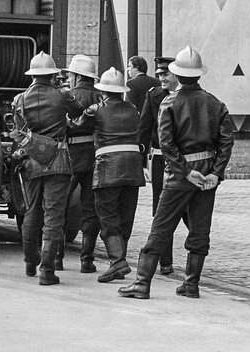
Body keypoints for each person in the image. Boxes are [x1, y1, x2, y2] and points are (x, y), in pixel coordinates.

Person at [119, 46, 234, 300]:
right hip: (207, 176)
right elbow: (226, 141)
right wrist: (216, 173)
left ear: (178, 74)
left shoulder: (169, 102)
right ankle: (191, 284)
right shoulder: (215, 103)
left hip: (179, 176)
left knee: (161, 226)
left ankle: (142, 283)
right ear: (198, 75)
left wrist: (186, 171)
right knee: (200, 229)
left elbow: (167, 144)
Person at [12, 51, 82, 285]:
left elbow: (19, 133)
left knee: (32, 212)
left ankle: (30, 263)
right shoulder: (61, 95)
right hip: (58, 162)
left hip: (32, 162)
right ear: (53, 75)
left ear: (32, 75)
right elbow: (79, 112)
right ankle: (47, 270)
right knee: (53, 216)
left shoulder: (20, 99)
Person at [72, 67, 145, 283]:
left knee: (107, 216)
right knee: (125, 216)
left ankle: (117, 261)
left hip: (108, 170)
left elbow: (75, 126)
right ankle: (119, 259)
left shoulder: (96, 110)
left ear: (102, 91)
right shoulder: (133, 109)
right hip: (133, 169)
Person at [59, 54, 102, 273]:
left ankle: (56, 257)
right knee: (90, 209)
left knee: (59, 206)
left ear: (76, 76)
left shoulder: (67, 97)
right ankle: (87, 260)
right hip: (95, 157)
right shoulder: (102, 97)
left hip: (70, 156)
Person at [138, 56, 179, 275]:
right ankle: (166, 261)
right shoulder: (153, 96)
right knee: (161, 209)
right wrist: (141, 160)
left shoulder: (185, 97)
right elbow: (144, 128)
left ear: (176, 75)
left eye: (166, 74)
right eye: (159, 74)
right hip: (161, 159)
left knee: (187, 209)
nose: (161, 78)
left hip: (183, 160)